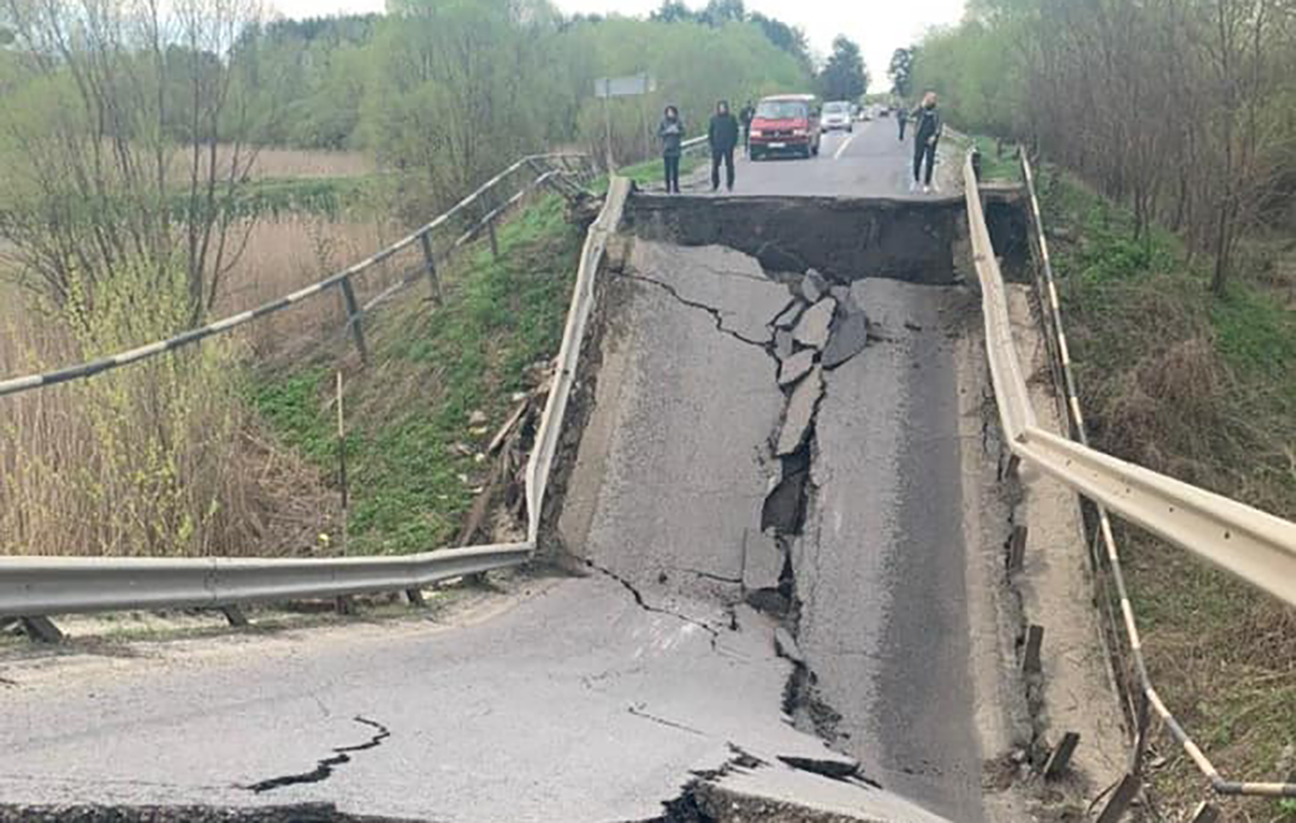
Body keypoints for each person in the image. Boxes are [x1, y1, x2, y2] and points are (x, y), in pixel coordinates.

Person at [910, 91, 943, 193]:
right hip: (920, 137)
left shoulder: (937, 110)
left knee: (930, 161)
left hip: (931, 138)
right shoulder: (921, 108)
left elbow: (939, 124)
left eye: (934, 98)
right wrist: (921, 105)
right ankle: (916, 178)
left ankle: (927, 184)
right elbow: (912, 114)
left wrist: (935, 136)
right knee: (917, 158)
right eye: (930, 98)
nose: (932, 100)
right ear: (926, 98)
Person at [708, 100, 740, 192]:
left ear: (726, 108)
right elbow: (710, 132)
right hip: (717, 146)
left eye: (723, 107)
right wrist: (712, 144)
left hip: (728, 146)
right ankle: (715, 184)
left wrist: (733, 143)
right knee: (715, 166)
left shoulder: (731, 118)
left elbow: (735, 131)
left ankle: (730, 184)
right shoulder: (714, 119)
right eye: (720, 107)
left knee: (729, 166)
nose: (722, 109)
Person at [658, 105, 685, 194]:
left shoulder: (678, 122)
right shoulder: (663, 122)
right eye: (669, 112)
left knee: (675, 169)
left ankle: (676, 187)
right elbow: (659, 133)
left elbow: (683, 132)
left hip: (676, 148)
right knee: (667, 169)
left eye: (672, 112)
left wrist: (677, 132)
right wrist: (667, 132)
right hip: (666, 149)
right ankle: (668, 187)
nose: (670, 113)